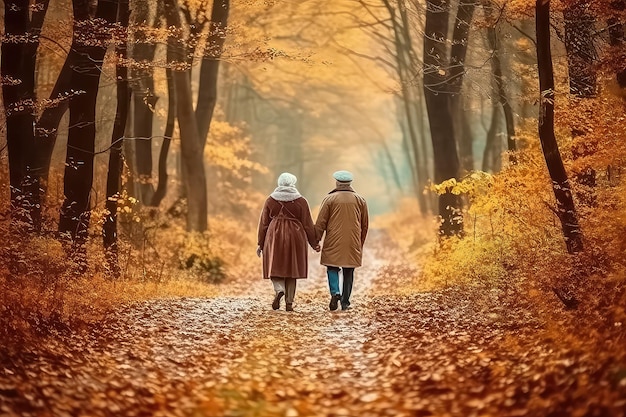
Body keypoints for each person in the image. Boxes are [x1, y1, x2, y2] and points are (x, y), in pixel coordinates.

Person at [257, 172, 319, 311]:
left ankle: (279, 289)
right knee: (293, 268)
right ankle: (289, 303)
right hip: (295, 235)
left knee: (274, 265)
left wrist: (260, 243)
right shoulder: (301, 201)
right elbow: (308, 224)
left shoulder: (270, 200)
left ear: (279, 183)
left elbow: (264, 223)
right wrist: (314, 243)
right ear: (292, 183)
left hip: (274, 234)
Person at [315, 170, 368, 311]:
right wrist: (360, 242)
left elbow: (321, 222)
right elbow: (364, 224)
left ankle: (335, 292)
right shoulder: (360, 200)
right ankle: (345, 303)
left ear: (337, 182)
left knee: (332, 266)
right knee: (349, 270)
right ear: (350, 183)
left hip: (333, 239)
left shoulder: (329, 199)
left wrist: (316, 239)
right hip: (352, 240)